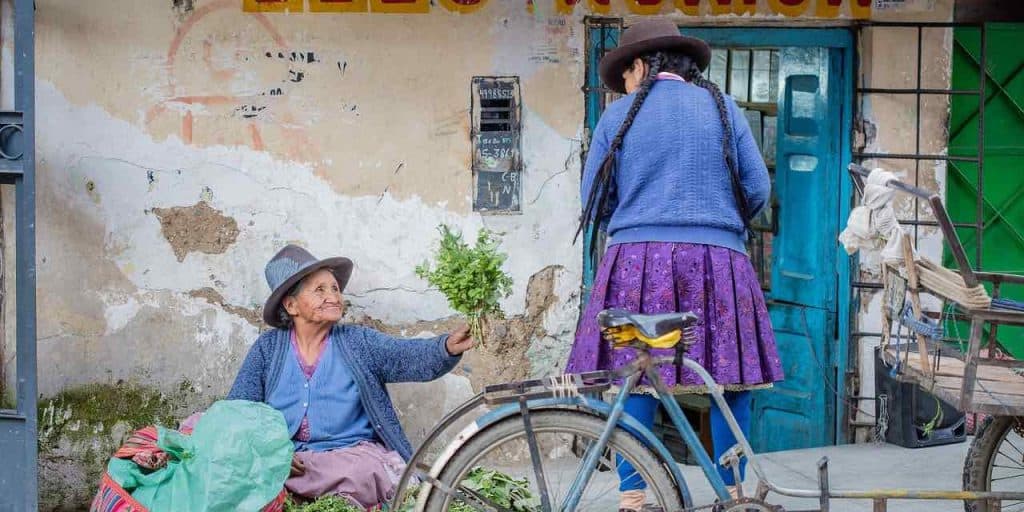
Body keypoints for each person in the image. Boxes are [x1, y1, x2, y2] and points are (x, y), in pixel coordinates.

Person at [564, 19, 785, 512]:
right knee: (732, 378)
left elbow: (594, 203)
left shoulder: (617, 117)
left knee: (633, 374)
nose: (624, 83)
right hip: (720, 261)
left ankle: (634, 495)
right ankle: (733, 492)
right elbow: (756, 190)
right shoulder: (725, 109)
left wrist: (640, 218)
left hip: (636, 259)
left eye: (625, 73)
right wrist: (715, 222)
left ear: (641, 65)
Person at [227, 244, 474, 508]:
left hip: (349, 458)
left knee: (361, 472)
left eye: (334, 288)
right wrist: (272, 452)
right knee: (230, 460)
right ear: (291, 305)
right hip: (289, 461)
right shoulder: (268, 349)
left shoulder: (358, 342)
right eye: (319, 290)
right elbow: (238, 411)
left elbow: (406, 356)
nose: (333, 296)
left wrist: (446, 347)